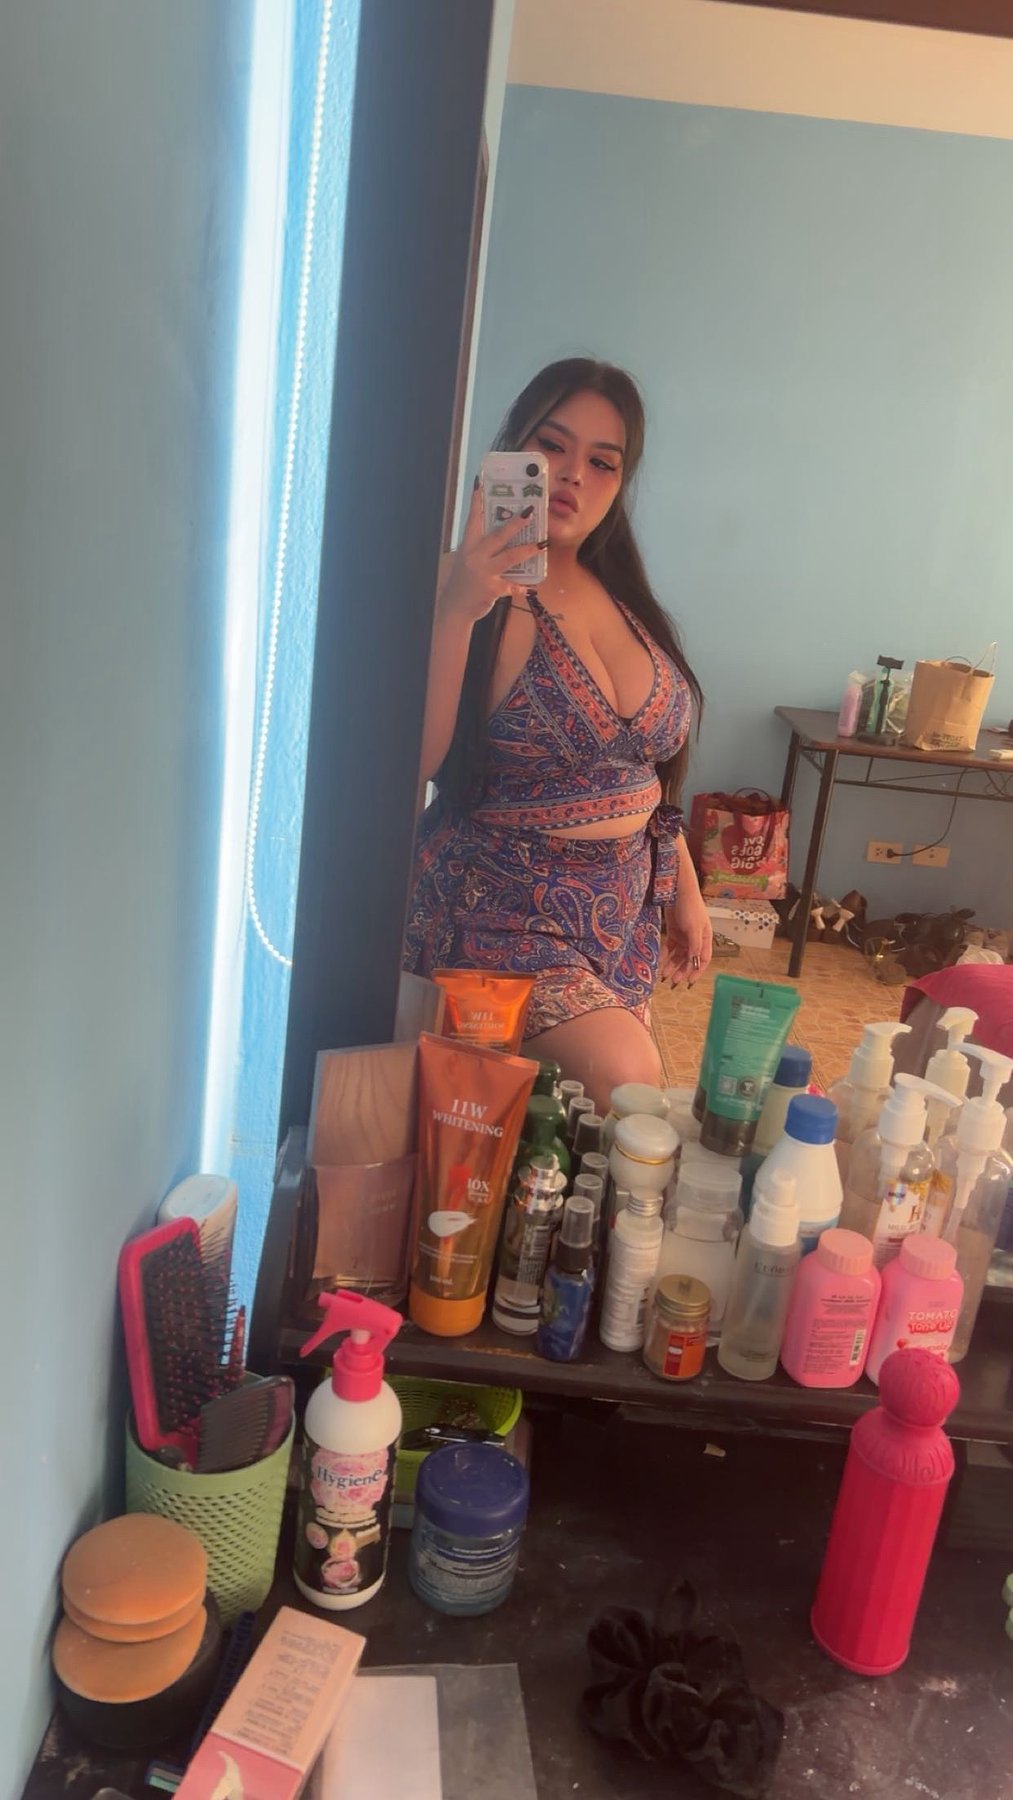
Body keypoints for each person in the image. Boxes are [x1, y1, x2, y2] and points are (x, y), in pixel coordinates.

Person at [403, 358, 711, 1111]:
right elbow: (414, 765)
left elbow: (641, 774)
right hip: (497, 907)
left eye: (603, 462)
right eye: (552, 445)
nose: (573, 474)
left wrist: (686, 890)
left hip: (618, 917)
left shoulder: (623, 595)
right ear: (513, 450)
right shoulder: (453, 583)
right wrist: (459, 607)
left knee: (571, 1131)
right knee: (625, 1080)